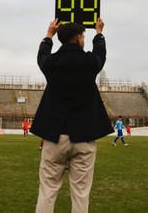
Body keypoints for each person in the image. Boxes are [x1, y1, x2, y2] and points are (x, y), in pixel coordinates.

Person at [30, 18, 114, 213]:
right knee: (80, 194)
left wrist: (48, 35)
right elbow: (101, 53)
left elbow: (42, 54)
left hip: (54, 136)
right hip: (84, 136)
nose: (84, 39)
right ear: (78, 38)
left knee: (47, 191)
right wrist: (99, 33)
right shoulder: (90, 62)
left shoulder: (50, 63)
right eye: (83, 36)